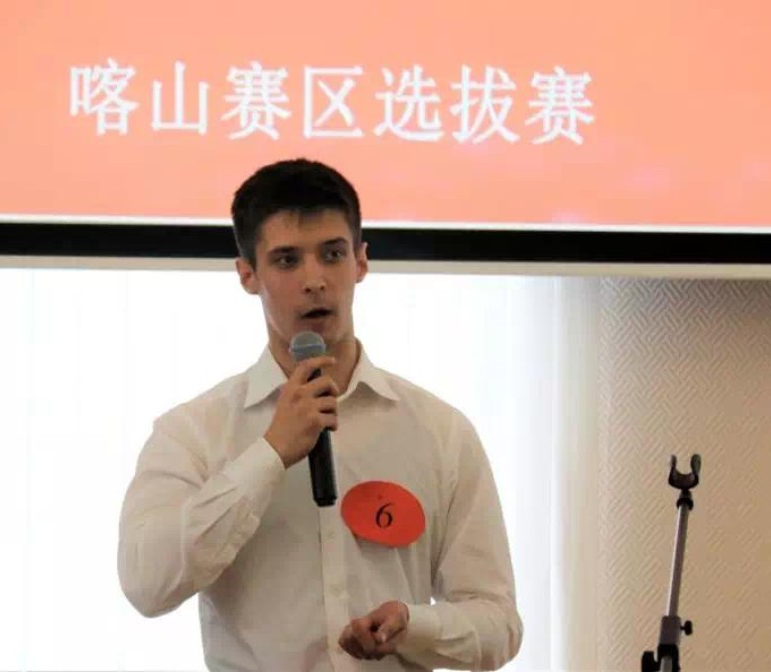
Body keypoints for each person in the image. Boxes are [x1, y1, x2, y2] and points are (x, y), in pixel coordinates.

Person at [117, 158, 523, 671]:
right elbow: (147, 584)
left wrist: (414, 625)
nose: (314, 280)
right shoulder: (194, 432)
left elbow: (498, 624)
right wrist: (268, 455)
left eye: (332, 254)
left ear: (361, 262)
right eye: (287, 260)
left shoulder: (439, 431)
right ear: (247, 275)